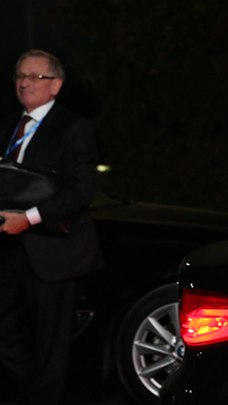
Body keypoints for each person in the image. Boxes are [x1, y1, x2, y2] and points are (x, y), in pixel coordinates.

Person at [0, 49, 103, 404]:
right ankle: (33, 395)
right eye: (19, 76)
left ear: (55, 85)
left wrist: (27, 218)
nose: (25, 83)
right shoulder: (8, 126)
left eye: (35, 77)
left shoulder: (73, 128)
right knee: (7, 335)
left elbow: (80, 191)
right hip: (9, 250)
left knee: (50, 345)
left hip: (54, 251)